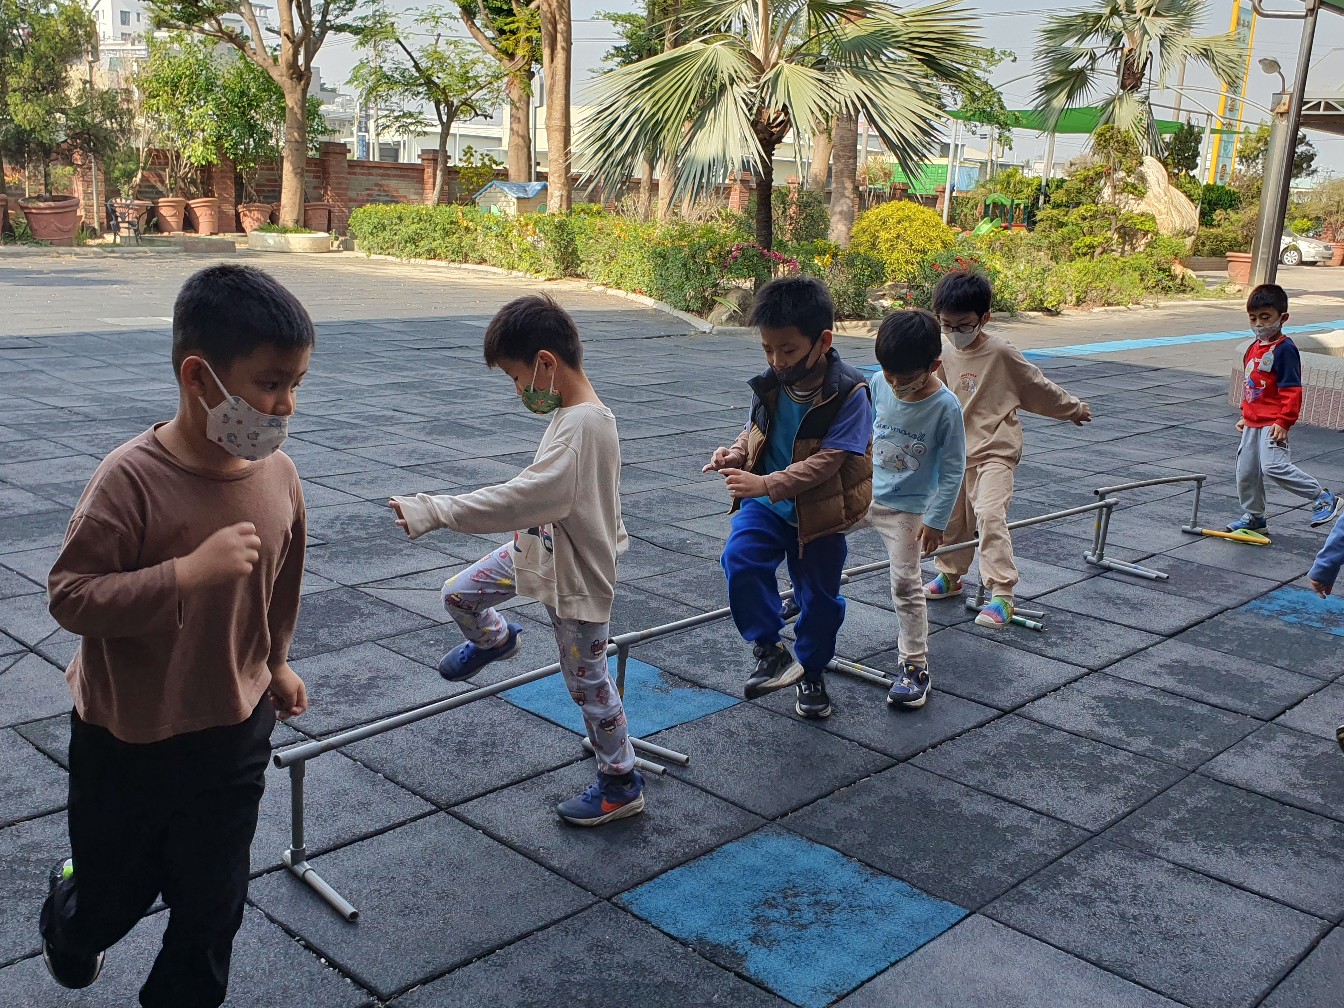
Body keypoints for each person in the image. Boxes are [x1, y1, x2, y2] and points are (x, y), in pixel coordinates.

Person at [40, 264, 313, 1007]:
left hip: (233, 728)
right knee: (112, 900)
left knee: (213, 906)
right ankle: (71, 915)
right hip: (128, 736)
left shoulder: (278, 475)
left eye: (296, 384)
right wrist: (185, 576)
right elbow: (71, 596)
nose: (286, 405)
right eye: (269, 384)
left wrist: (277, 662)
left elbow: (281, 580)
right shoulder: (128, 481)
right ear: (199, 377)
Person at [388, 294, 642, 827]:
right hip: (537, 550)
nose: (518, 389)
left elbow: (520, 498)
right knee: (459, 594)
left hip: (574, 575)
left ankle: (621, 782)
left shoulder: (582, 428)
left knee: (588, 684)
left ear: (546, 363)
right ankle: (495, 640)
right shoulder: (577, 416)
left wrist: (436, 510)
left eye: (516, 377)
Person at [703, 277, 873, 720]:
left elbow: (829, 463)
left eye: (789, 350)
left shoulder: (850, 393)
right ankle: (770, 649)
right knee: (739, 558)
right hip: (768, 507)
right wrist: (734, 454)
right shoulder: (772, 382)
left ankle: (811, 670)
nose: (777, 361)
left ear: (823, 342)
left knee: (820, 601)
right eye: (768, 350)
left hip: (819, 513)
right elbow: (754, 429)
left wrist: (765, 484)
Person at [923, 270, 1092, 629]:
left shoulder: (1000, 352)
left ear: (984, 318)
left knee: (988, 513)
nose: (955, 332)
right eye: (947, 325)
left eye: (964, 325)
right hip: (956, 451)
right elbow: (935, 396)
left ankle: (1002, 593)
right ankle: (951, 573)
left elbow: (1037, 386)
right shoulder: (944, 351)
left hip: (995, 451)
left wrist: (1073, 408)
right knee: (952, 517)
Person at [868, 310, 966, 708]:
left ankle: (914, 666)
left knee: (906, 585)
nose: (895, 384)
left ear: (933, 366)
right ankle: (803, 596)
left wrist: (937, 520)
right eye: (889, 373)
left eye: (905, 378)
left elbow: (954, 467)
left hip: (907, 511)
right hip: (866, 495)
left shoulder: (945, 407)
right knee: (812, 532)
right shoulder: (878, 383)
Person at [1227, 283, 1341, 534]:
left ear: (1283, 318)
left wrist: (1284, 421)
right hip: (1253, 422)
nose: (1259, 324)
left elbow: (1291, 389)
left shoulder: (1285, 349)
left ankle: (1323, 497)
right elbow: (1251, 383)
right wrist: (1246, 414)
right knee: (1246, 471)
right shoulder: (1253, 348)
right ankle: (1255, 517)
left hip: (1273, 423)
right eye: (1253, 318)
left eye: (1265, 317)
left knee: (1273, 466)